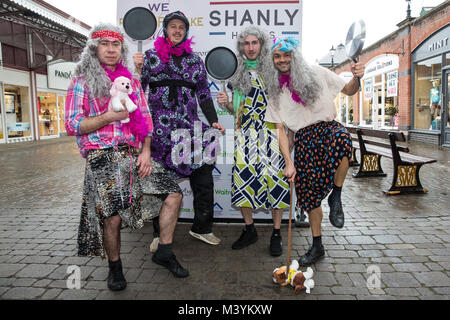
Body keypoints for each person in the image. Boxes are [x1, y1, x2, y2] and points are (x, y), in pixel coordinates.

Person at [65, 24, 187, 293]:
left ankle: (164, 251)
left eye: (116, 44)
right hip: (102, 154)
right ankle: (115, 267)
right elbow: (72, 124)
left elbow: (145, 117)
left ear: (122, 49)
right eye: (105, 44)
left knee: (173, 194)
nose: (111, 49)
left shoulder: (129, 81)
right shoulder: (82, 81)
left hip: (133, 152)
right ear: (94, 48)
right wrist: (108, 117)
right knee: (113, 218)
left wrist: (145, 151)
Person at [265, 36, 365, 266]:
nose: (282, 60)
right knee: (309, 198)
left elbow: (349, 90)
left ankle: (336, 196)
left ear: (295, 55)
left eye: (286, 54)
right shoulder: (275, 91)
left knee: (343, 141)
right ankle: (317, 245)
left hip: (328, 128)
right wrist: (288, 162)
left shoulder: (317, 72)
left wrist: (358, 76)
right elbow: (280, 130)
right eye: (277, 56)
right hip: (303, 139)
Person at [133, 11, 225, 248]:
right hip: (160, 133)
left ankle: (202, 228)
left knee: (203, 179)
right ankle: (157, 234)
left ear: (186, 32)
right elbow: (137, 93)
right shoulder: (151, 57)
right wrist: (137, 70)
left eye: (181, 27)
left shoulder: (195, 61)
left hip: (190, 131)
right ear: (165, 30)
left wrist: (213, 120)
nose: (176, 30)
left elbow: (204, 93)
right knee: (159, 186)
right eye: (172, 26)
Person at [216, 26, 290, 257]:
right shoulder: (237, 73)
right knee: (243, 184)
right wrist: (226, 103)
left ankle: (276, 233)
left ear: (261, 45)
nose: (250, 47)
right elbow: (237, 111)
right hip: (244, 138)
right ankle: (250, 230)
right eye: (246, 43)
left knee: (276, 184)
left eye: (254, 43)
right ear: (241, 46)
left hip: (271, 135)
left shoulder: (275, 71)